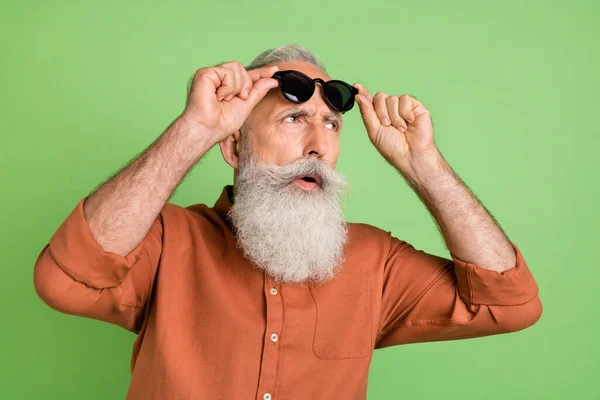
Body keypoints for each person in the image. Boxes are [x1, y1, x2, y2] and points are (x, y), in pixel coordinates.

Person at [33, 44, 542, 399]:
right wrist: (196, 128)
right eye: (294, 119)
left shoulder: (374, 263)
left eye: (331, 124)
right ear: (233, 146)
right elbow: (65, 279)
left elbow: (510, 304)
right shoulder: (168, 240)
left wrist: (422, 163)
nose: (318, 145)